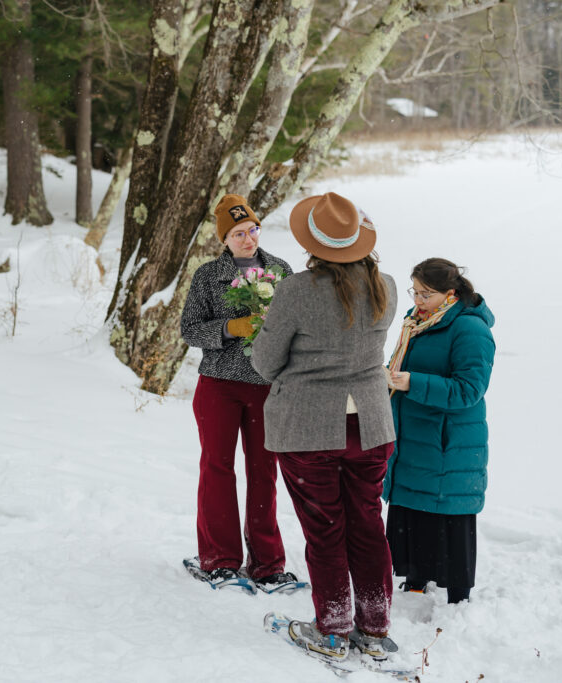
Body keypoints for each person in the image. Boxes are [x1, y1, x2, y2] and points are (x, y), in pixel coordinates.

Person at [250, 192, 399, 661]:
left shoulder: (296, 290)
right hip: (371, 425)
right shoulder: (388, 285)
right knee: (368, 525)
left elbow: (264, 362)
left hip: (309, 427)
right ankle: (375, 629)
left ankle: (333, 629)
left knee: (325, 528)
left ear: (313, 243)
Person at [179, 193, 297, 590]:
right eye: (239, 233)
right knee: (217, 468)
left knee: (264, 472)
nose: (249, 239)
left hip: (267, 387)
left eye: (253, 230)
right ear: (224, 239)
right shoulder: (207, 275)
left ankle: (267, 563)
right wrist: (231, 328)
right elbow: (190, 330)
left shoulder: (281, 270)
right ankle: (219, 559)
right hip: (219, 386)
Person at [384, 258, 495, 604]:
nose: (417, 300)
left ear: (450, 294)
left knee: (448, 516)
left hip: (448, 441)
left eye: (425, 294)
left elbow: (469, 390)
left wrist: (412, 383)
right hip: (415, 435)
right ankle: (416, 578)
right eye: (414, 292)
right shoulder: (417, 322)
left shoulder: (470, 329)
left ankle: (457, 595)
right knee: (414, 510)